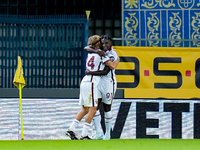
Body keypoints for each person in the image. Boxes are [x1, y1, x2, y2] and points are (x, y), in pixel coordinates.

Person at [66, 35, 119, 140]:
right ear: (98, 43)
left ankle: (71, 129)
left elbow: (86, 48)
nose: (103, 44)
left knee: (85, 109)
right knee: (93, 109)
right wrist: (117, 61)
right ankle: (85, 134)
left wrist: (88, 71)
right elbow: (109, 68)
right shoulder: (102, 55)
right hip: (92, 82)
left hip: (86, 80)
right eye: (101, 42)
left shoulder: (91, 53)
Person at [84, 35, 120, 140]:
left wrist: (90, 72)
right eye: (102, 43)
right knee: (95, 107)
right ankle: (98, 133)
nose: (104, 45)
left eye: (106, 43)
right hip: (98, 82)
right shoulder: (99, 51)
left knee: (107, 108)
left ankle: (108, 133)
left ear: (111, 44)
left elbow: (110, 68)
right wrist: (97, 52)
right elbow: (86, 48)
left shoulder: (112, 54)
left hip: (109, 83)